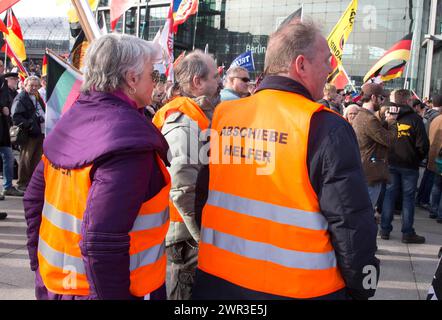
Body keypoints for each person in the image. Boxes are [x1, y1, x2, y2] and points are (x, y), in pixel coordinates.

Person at [192, 19, 379, 300]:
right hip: (300, 289)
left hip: (218, 282)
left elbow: (202, 199)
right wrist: (364, 286)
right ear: (300, 65)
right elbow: (352, 226)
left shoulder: (224, 116)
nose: (330, 68)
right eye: (327, 60)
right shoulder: (325, 126)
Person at [23, 34, 170, 300]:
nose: (155, 82)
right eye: (153, 74)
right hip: (116, 290)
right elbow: (102, 239)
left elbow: (33, 199)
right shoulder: (129, 141)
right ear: (132, 79)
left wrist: (39, 268)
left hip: (57, 285)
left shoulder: (71, 120)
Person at [152, 50, 221, 300]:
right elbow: (183, 188)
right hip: (185, 236)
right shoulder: (183, 121)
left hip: (188, 232)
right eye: (214, 76)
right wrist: (202, 237)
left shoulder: (197, 115)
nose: (219, 81)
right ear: (197, 82)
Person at [380, 89, 429, 243]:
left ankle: (385, 229)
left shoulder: (388, 117)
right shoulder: (415, 119)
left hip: (392, 162)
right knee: (408, 198)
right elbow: (423, 146)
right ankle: (407, 232)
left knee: (389, 195)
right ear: (408, 101)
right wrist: (416, 158)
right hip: (409, 165)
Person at [352, 83, 397, 209]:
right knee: (366, 211)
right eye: (381, 98)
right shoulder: (369, 119)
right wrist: (392, 121)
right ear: (373, 97)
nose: (382, 102)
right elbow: (389, 140)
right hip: (370, 172)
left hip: (364, 169)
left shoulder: (363, 116)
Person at [11, 76, 46, 192]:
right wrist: (30, 124)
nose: (34, 88)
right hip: (29, 134)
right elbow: (15, 116)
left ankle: (32, 183)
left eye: (36, 86)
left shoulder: (37, 97)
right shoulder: (21, 98)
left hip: (40, 132)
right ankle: (22, 183)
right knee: (26, 159)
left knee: (36, 159)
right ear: (25, 85)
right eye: (31, 85)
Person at [0, 72, 24, 198]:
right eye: (14, 79)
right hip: (3, 130)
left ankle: (7, 187)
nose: (16, 81)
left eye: (16, 79)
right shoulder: (4, 92)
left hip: (6, 132)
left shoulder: (15, 94)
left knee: (8, 158)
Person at [427, 95, 442, 223]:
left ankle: (433, 210)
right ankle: (440, 213)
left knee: (437, 185)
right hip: (439, 156)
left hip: (435, 157)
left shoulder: (435, 119)